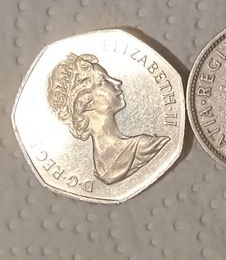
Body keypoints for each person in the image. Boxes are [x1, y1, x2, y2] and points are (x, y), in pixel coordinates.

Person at [47, 53, 169, 185]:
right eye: (103, 80)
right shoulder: (145, 146)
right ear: (86, 102)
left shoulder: (143, 146)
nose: (117, 82)